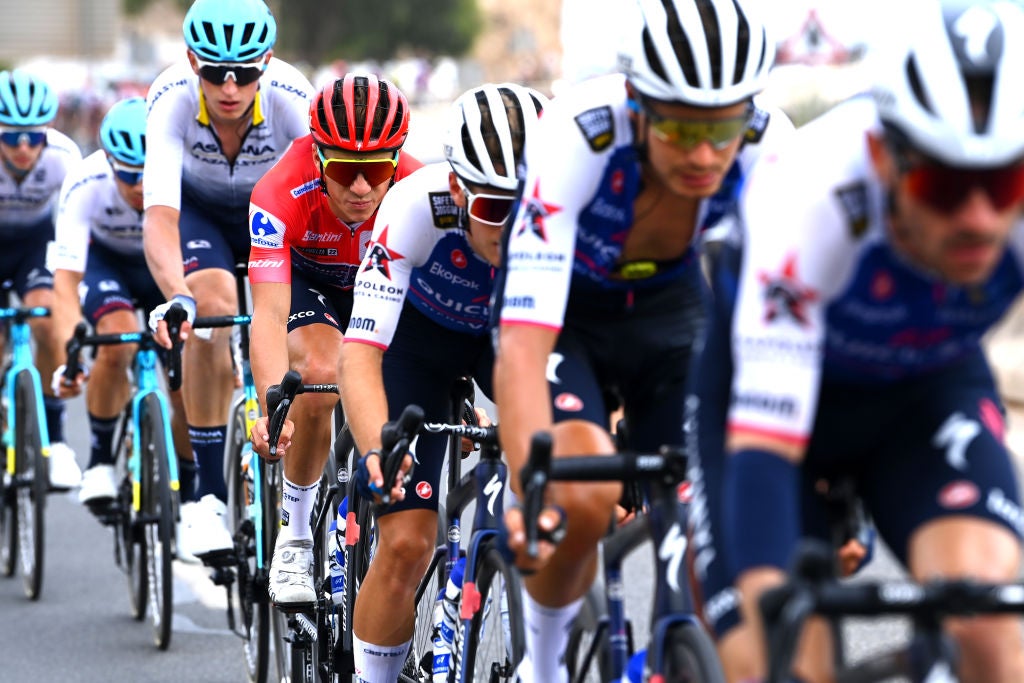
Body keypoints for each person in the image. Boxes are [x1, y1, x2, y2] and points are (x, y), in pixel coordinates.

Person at [689, 1, 1024, 681]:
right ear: (884, 159)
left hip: (921, 392)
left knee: (990, 623)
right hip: (772, 411)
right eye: (945, 185)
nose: (981, 218)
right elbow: (765, 450)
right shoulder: (806, 196)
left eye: (1003, 182)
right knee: (778, 660)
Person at [491, 0, 791, 680]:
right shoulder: (579, 136)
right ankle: (542, 664)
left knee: (712, 504)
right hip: (566, 311)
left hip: (672, 313)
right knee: (583, 495)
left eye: (725, 128)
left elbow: (793, 340)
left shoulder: (773, 147)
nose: (706, 154)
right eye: (683, 128)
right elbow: (523, 346)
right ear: (637, 102)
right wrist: (532, 487)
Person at [337, 82, 546, 682]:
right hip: (415, 348)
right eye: (492, 210)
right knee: (406, 544)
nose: (513, 228)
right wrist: (379, 447)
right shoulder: (412, 207)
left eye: (528, 206)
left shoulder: (565, 211)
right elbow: (361, 353)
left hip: (504, 341)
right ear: (457, 189)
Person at [142, 0, 313, 559]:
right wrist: (178, 298)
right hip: (203, 217)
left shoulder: (293, 98)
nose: (231, 86)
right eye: (215, 72)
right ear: (193, 63)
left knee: (305, 333)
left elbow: (327, 202)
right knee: (212, 309)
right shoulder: (169, 100)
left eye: (245, 72)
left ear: (267, 62)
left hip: (276, 212)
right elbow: (160, 219)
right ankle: (209, 500)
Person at [246, 72, 421, 604]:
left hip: (378, 283)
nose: (363, 188)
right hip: (310, 284)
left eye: (376, 170)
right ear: (320, 157)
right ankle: (295, 535)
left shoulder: (420, 190)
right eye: (346, 171)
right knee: (320, 374)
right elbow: (270, 316)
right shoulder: (278, 191)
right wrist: (270, 409)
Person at [50, 97, 192, 511]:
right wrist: (70, 356)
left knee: (187, 379)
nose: (140, 187)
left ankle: (191, 493)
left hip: (163, 264)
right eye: (128, 175)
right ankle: (98, 461)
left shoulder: (184, 175)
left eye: (148, 175)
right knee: (116, 339)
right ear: (109, 162)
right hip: (106, 264)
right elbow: (65, 282)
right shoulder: (85, 181)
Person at [0, 69, 84, 489]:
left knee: (49, 320)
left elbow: (77, 224)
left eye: (32, 137)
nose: (22, 148)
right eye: (11, 137)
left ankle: (57, 440)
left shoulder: (63, 156)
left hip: (35, 243)